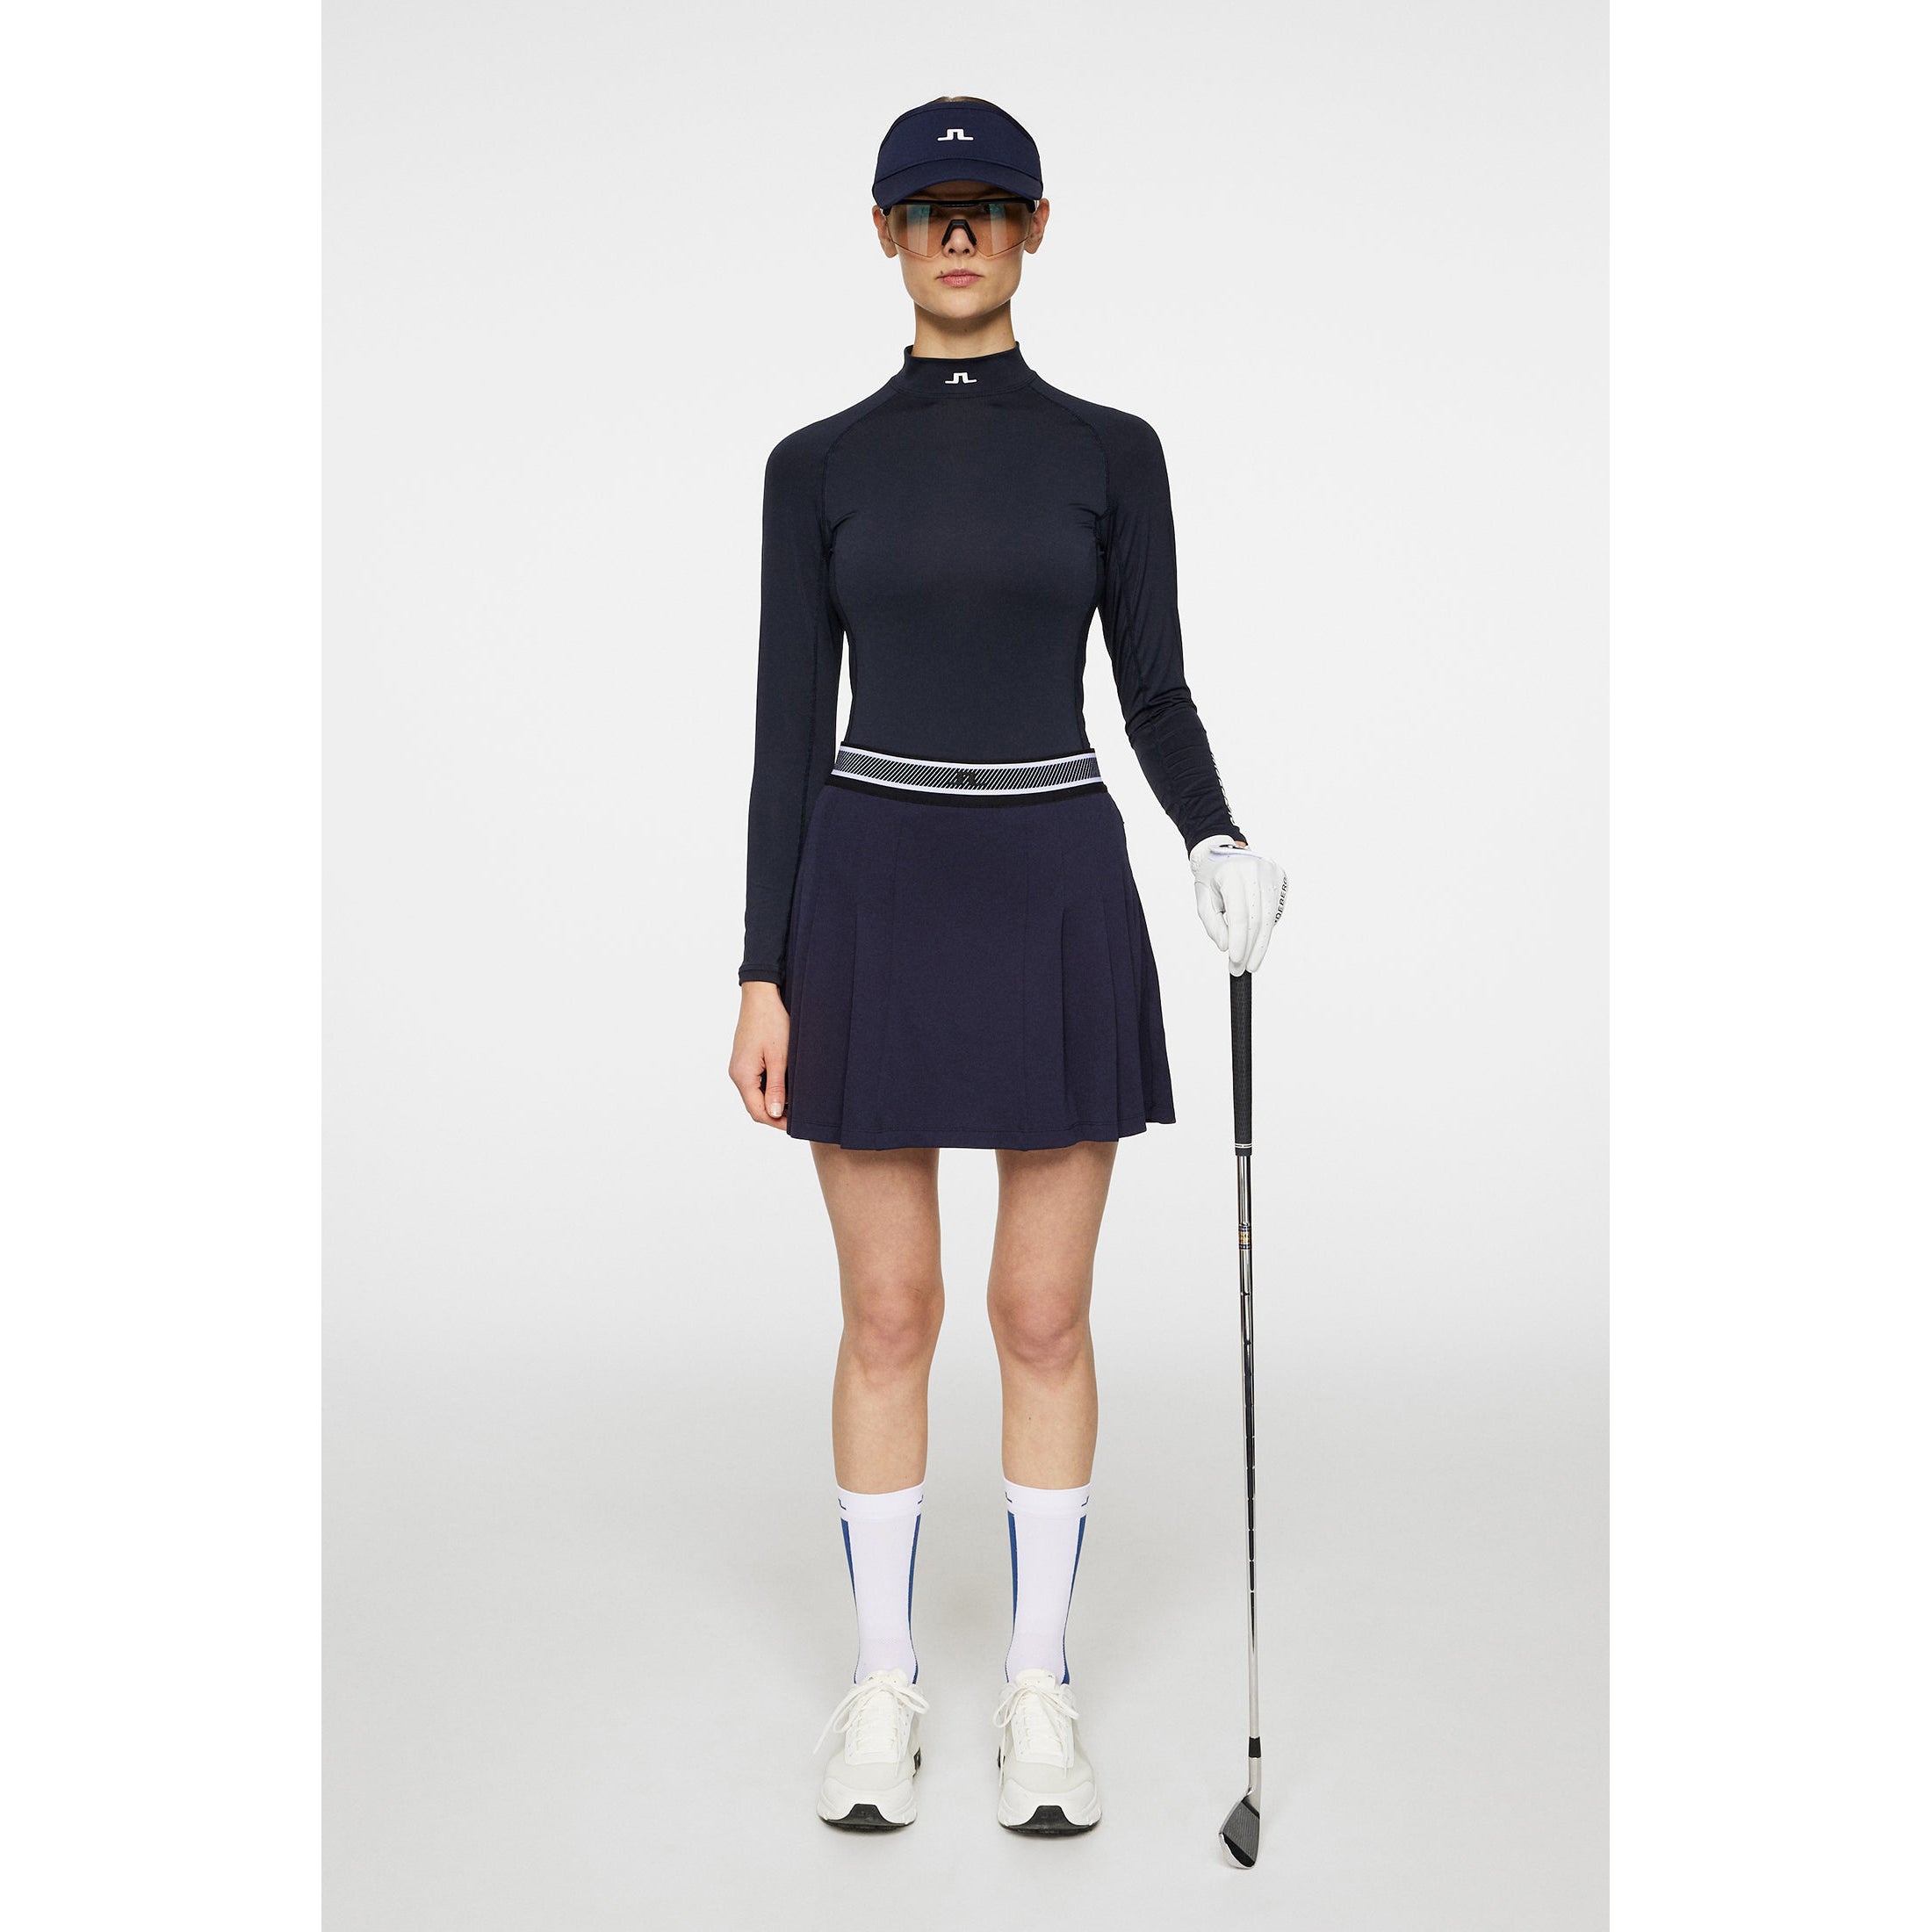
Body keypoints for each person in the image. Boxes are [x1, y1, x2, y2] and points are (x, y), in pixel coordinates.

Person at [728, 96, 1286, 1835]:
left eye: (985, 206)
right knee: (889, 1312)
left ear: (1036, 228)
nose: (956, 232)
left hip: (1051, 880)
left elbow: (1153, 686)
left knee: (1040, 1313)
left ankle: (1038, 1686)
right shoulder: (814, 465)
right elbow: (783, 730)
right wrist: (760, 967)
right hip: (870, 890)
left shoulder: (1112, 451)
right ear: (884, 234)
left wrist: (1213, 835)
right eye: (927, 208)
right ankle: (884, 1682)